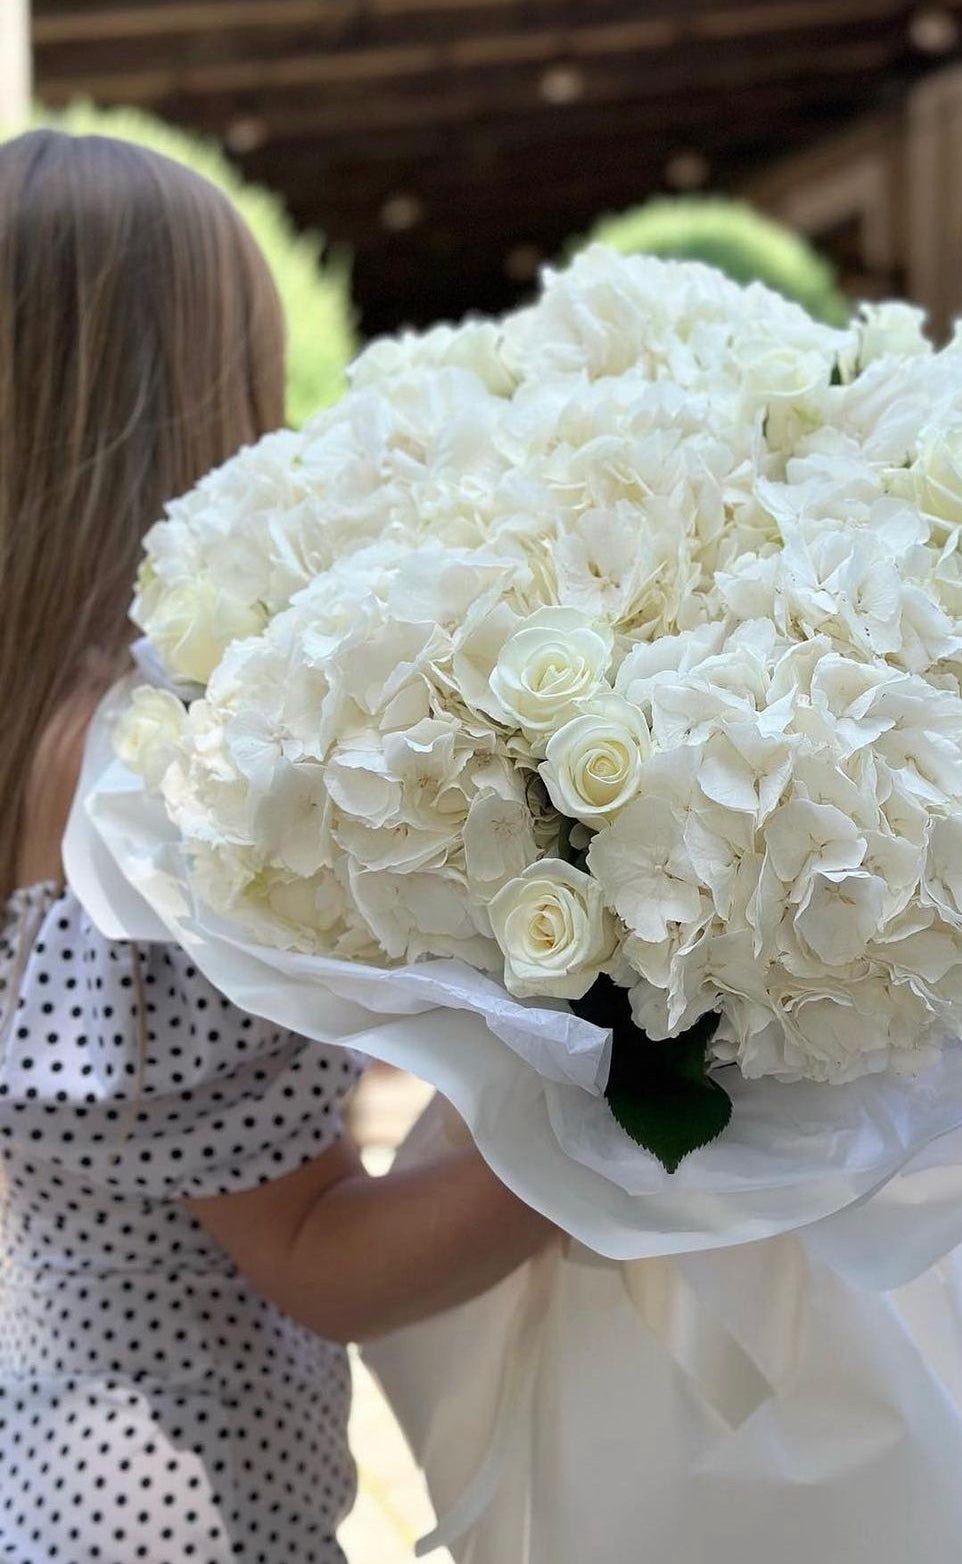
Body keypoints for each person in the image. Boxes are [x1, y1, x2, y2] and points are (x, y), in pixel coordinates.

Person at [0, 129, 553, 1564]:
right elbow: (322, 1261)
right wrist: (648, 1133)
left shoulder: (26, 733)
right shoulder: (135, 775)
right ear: (201, 386)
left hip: (48, 1443)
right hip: (170, 1498)